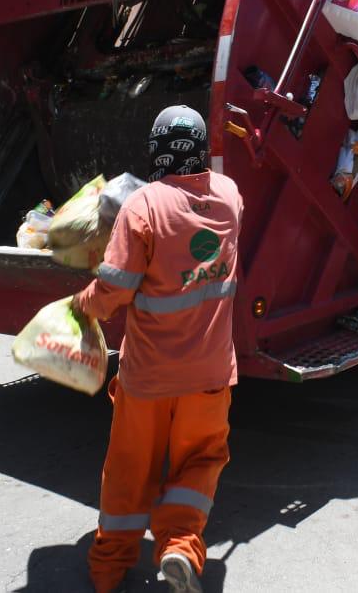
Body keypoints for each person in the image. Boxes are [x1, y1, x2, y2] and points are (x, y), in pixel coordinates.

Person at [73, 105, 243, 593]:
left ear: (157, 151)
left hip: (148, 377)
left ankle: (108, 569)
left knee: (129, 469)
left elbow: (113, 290)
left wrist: (81, 306)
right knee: (200, 462)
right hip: (210, 375)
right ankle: (179, 546)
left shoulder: (142, 206)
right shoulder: (230, 197)